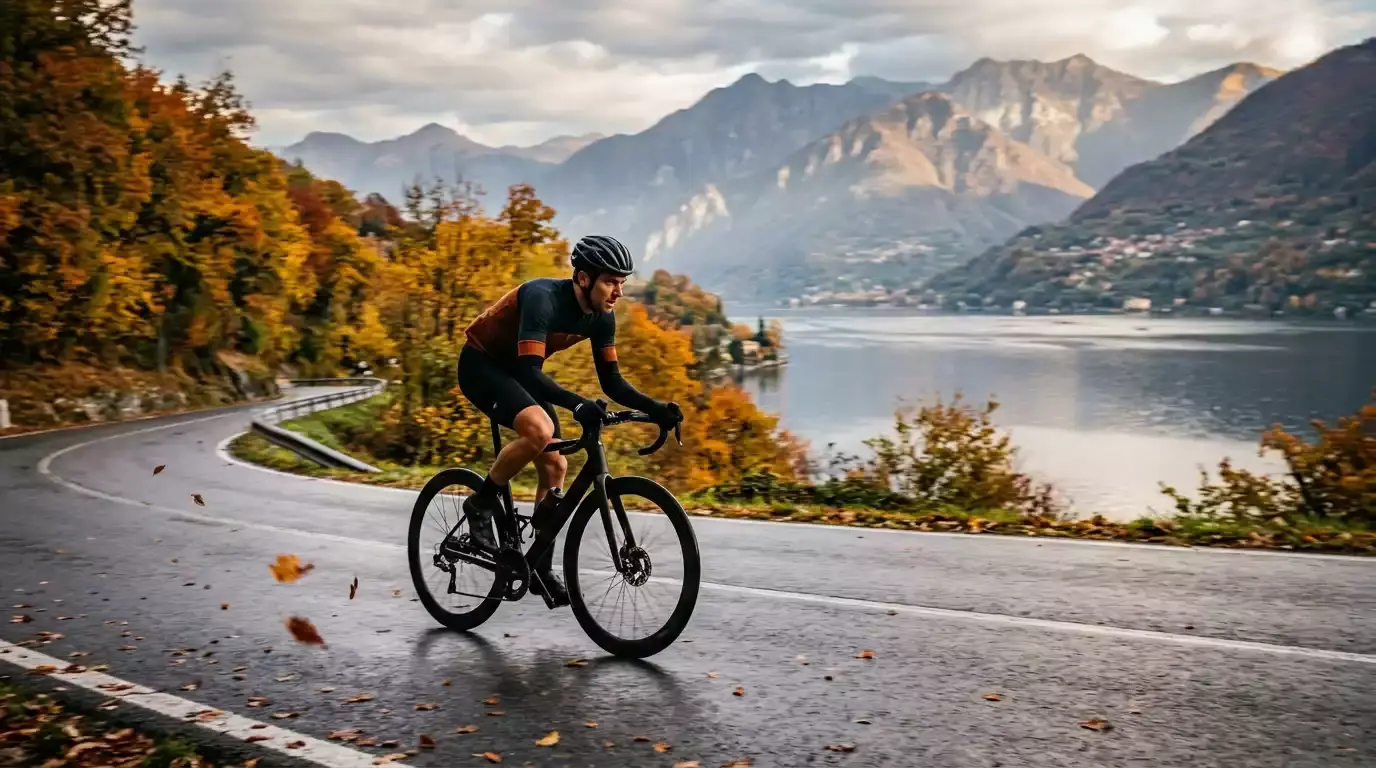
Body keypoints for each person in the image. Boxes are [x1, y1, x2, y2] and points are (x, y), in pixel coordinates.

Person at [456, 234, 683, 606]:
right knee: (540, 431)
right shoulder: (541, 298)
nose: (618, 292)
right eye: (610, 282)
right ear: (582, 278)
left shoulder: (602, 318)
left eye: (622, 282)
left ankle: (539, 565)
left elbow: (612, 381)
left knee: (556, 464)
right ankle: (480, 505)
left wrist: (656, 408)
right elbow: (529, 371)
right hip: (482, 365)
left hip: (519, 372)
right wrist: (578, 405)